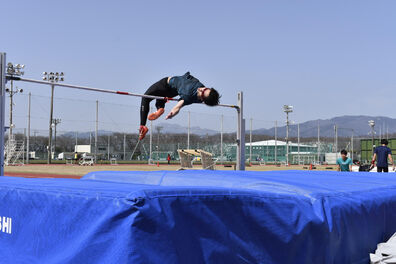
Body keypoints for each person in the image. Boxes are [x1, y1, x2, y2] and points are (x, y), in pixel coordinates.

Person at [139, 72, 220, 140]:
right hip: (173, 92)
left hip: (166, 84)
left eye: (202, 91)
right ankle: (160, 108)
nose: (202, 89)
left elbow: (178, 106)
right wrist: (172, 113)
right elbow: (179, 105)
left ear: (203, 99)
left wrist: (172, 113)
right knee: (161, 97)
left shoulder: (188, 94)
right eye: (205, 88)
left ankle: (142, 126)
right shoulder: (198, 92)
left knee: (145, 97)